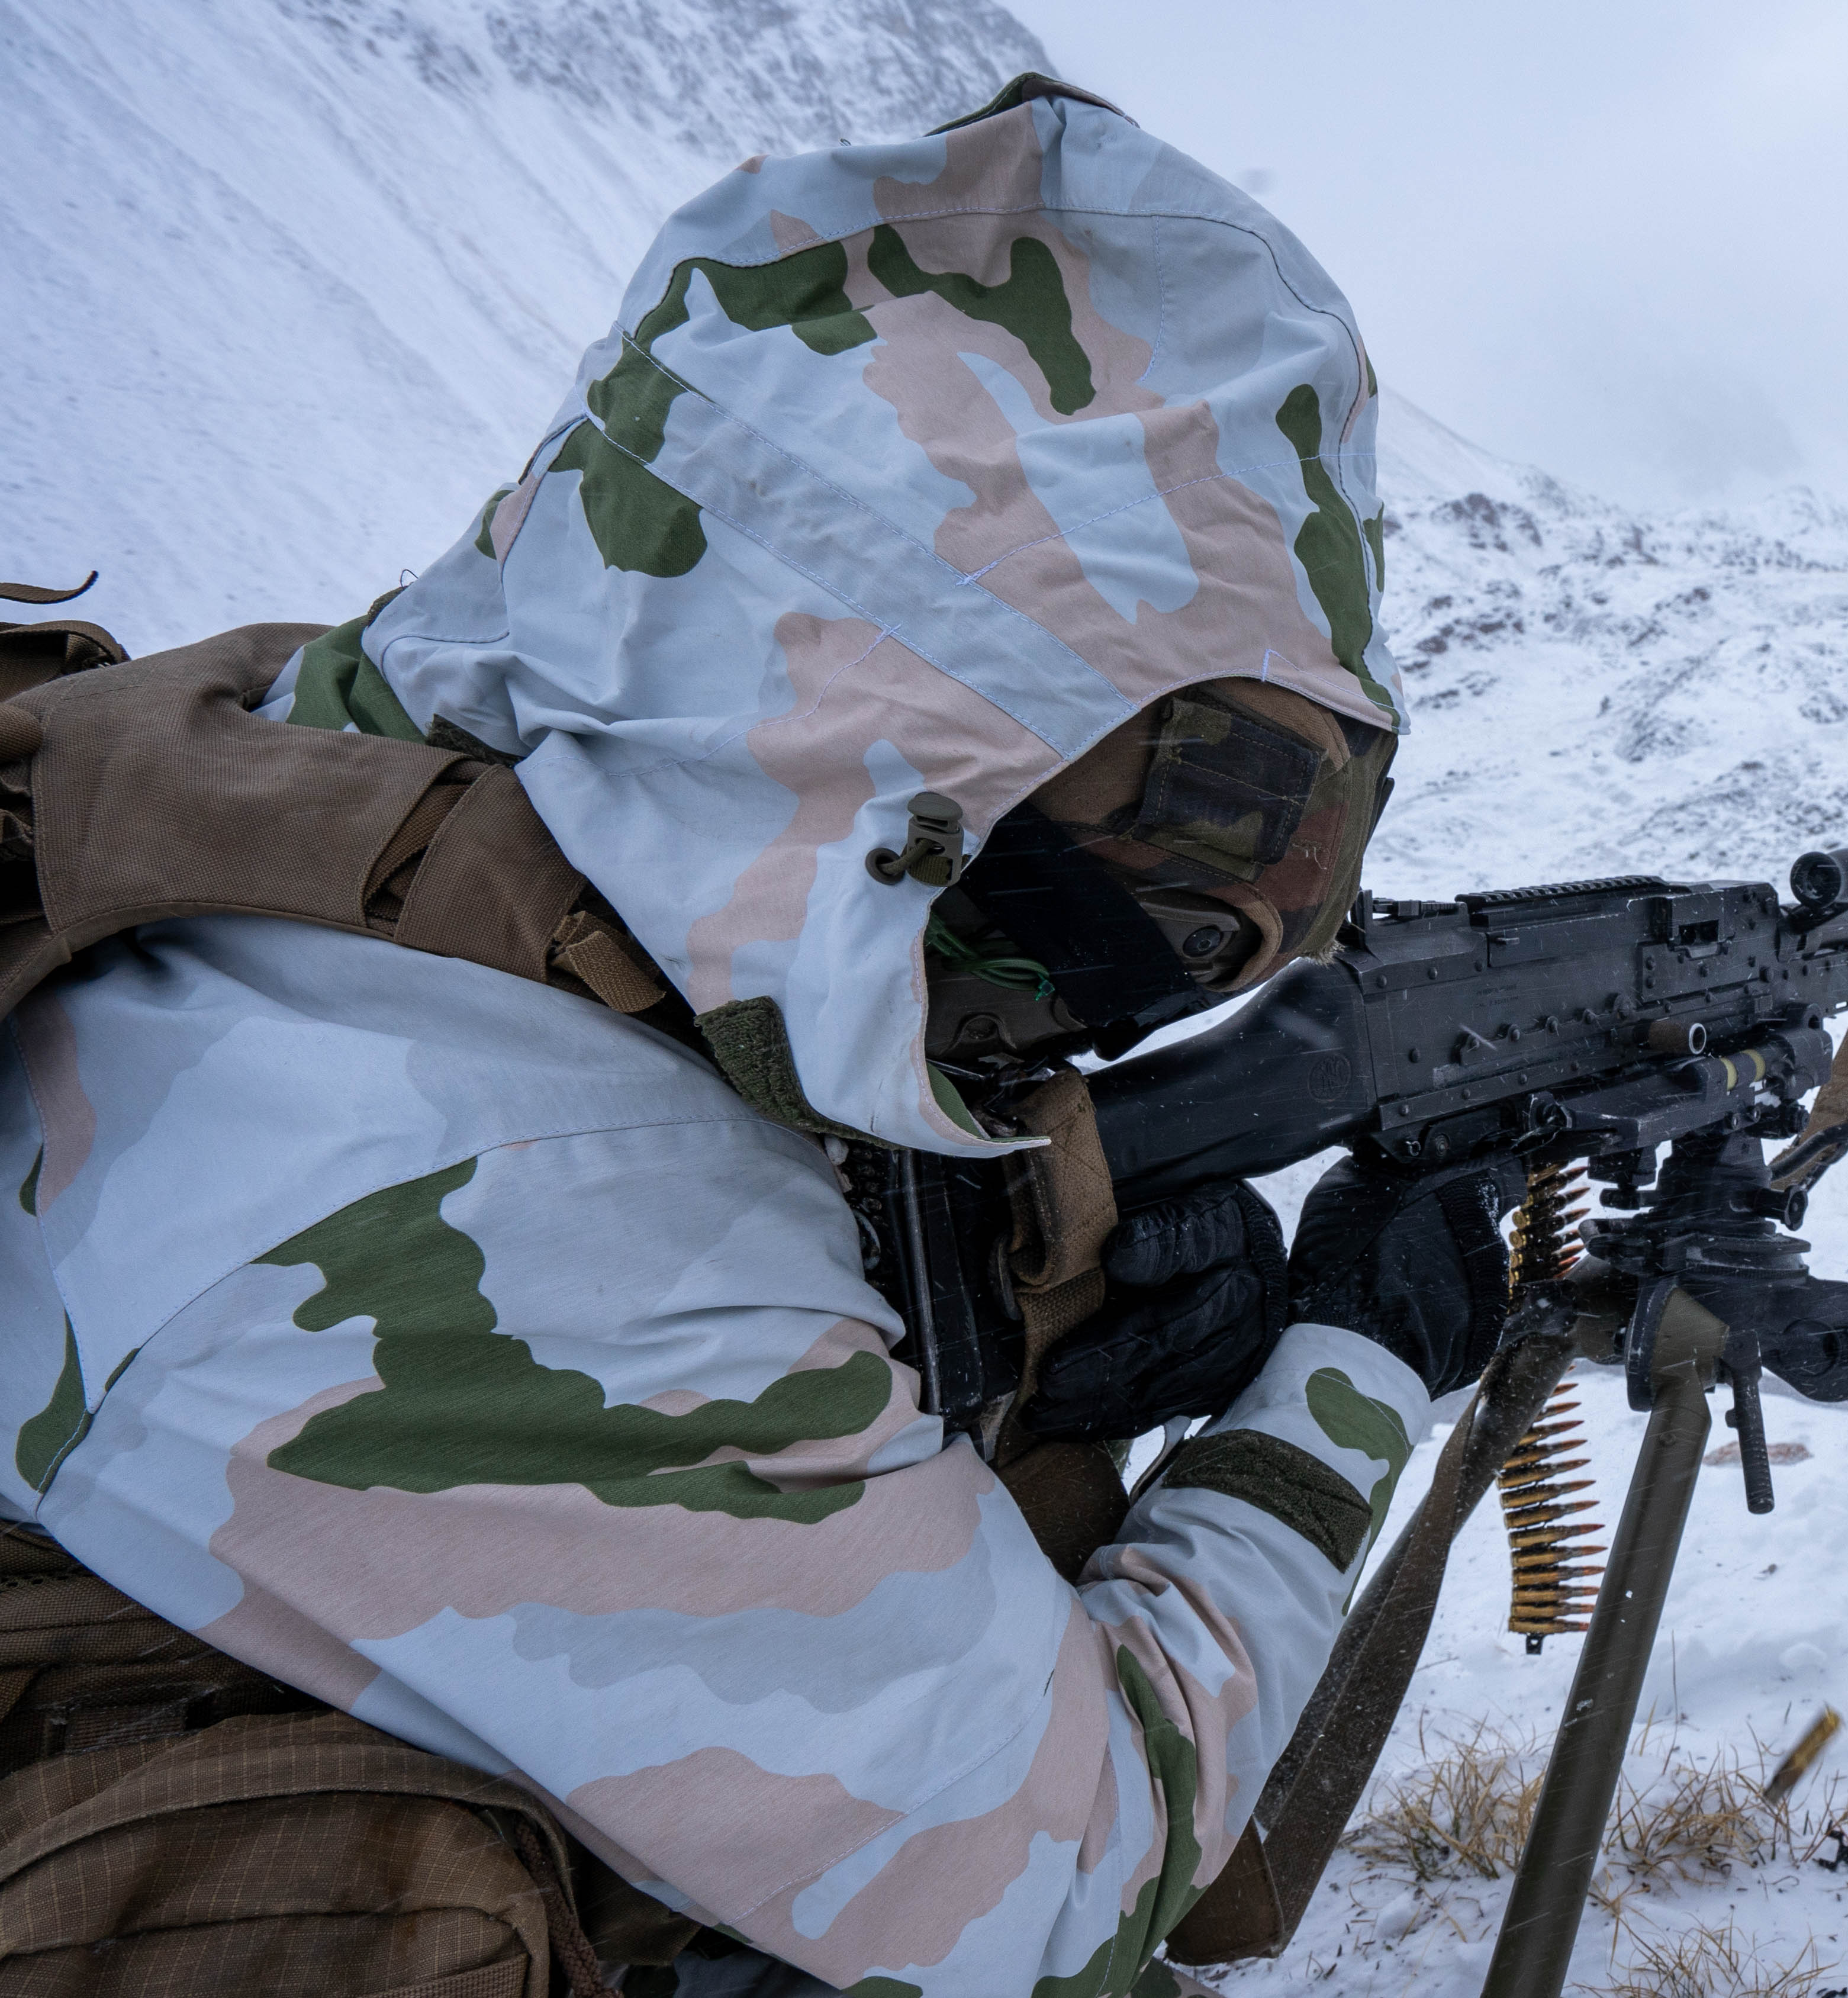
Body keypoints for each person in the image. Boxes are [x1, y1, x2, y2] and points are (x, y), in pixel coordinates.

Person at [0, 76, 1499, 1997]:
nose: (1119, 970)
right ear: (858, 731)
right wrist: (1351, 1375)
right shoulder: (525, 1211)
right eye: (1102, 832)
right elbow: (1061, 1895)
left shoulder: (383, 775)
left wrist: (1039, 1330)